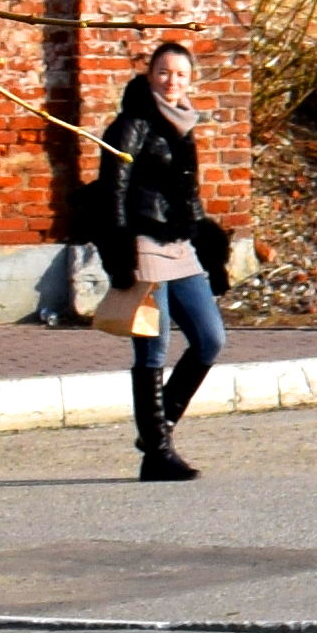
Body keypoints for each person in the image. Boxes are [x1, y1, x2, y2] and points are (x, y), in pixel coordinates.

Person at [94, 39, 239, 483]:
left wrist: (209, 246)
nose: (171, 81)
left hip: (180, 246)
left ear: (190, 79)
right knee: (153, 348)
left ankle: (159, 427)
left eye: (180, 74)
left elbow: (188, 195)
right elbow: (112, 193)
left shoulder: (184, 123)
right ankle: (156, 454)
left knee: (210, 339)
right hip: (143, 243)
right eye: (163, 73)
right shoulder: (131, 125)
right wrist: (119, 254)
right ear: (149, 76)